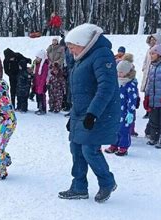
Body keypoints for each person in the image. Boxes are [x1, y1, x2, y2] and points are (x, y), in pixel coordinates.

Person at [58, 23, 119, 203]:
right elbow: (80, 90)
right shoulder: (82, 57)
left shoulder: (101, 55)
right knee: (75, 148)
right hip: (80, 113)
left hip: (98, 112)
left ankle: (107, 182)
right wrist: (73, 116)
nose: (70, 51)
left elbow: (106, 87)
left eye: (71, 46)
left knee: (89, 149)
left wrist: (93, 114)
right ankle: (79, 187)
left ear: (82, 42)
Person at [104, 54, 138, 156]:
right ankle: (114, 144)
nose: (119, 74)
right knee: (114, 128)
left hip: (125, 112)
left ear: (128, 72)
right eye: (117, 72)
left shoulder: (130, 85)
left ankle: (123, 147)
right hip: (116, 111)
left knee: (123, 130)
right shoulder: (117, 82)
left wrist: (130, 113)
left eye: (121, 72)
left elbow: (132, 100)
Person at [141, 32, 161, 119]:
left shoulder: (160, 50)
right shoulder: (149, 49)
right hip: (148, 73)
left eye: (154, 40)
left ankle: (152, 111)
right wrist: (144, 67)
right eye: (151, 39)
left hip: (155, 74)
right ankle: (147, 110)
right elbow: (146, 60)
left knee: (153, 93)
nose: (152, 41)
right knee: (147, 93)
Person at [33, 50, 49, 115]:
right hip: (37, 83)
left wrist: (41, 86)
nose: (36, 59)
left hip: (41, 84)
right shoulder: (37, 64)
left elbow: (43, 77)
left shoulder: (44, 65)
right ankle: (39, 108)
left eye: (38, 57)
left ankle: (43, 109)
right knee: (38, 97)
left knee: (42, 97)